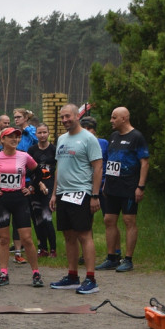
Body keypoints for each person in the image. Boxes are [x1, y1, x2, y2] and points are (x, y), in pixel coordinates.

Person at [49, 104, 103, 293]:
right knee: (68, 236)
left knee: (84, 235)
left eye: (68, 117)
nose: (65, 120)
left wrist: (95, 195)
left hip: (82, 192)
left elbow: (98, 168)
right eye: (62, 117)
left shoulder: (89, 139)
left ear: (76, 116)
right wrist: (55, 193)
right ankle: (72, 276)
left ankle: (91, 279)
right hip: (64, 194)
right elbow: (59, 168)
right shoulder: (62, 139)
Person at [0, 126, 43, 287]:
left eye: (17, 137)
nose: (15, 140)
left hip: (20, 199)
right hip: (1, 200)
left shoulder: (24, 156)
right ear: (2, 140)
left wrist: (31, 188)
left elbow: (39, 172)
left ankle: (36, 274)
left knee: (27, 239)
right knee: (3, 239)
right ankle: (3, 273)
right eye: (11, 137)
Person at [100, 106, 150, 272]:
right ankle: (111, 257)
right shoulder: (113, 136)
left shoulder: (137, 137)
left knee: (129, 221)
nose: (111, 121)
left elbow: (144, 162)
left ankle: (128, 259)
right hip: (112, 186)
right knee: (108, 220)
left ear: (124, 119)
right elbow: (110, 161)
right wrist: (106, 181)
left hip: (129, 186)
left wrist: (140, 186)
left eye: (114, 118)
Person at [28, 122, 57, 258]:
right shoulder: (32, 150)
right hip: (36, 186)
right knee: (37, 218)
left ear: (48, 133)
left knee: (47, 218)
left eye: (44, 132)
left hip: (50, 186)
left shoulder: (54, 150)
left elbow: (58, 170)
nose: (42, 135)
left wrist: (53, 191)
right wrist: (38, 183)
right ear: (36, 134)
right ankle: (42, 248)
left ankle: (53, 249)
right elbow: (29, 170)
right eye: (39, 132)